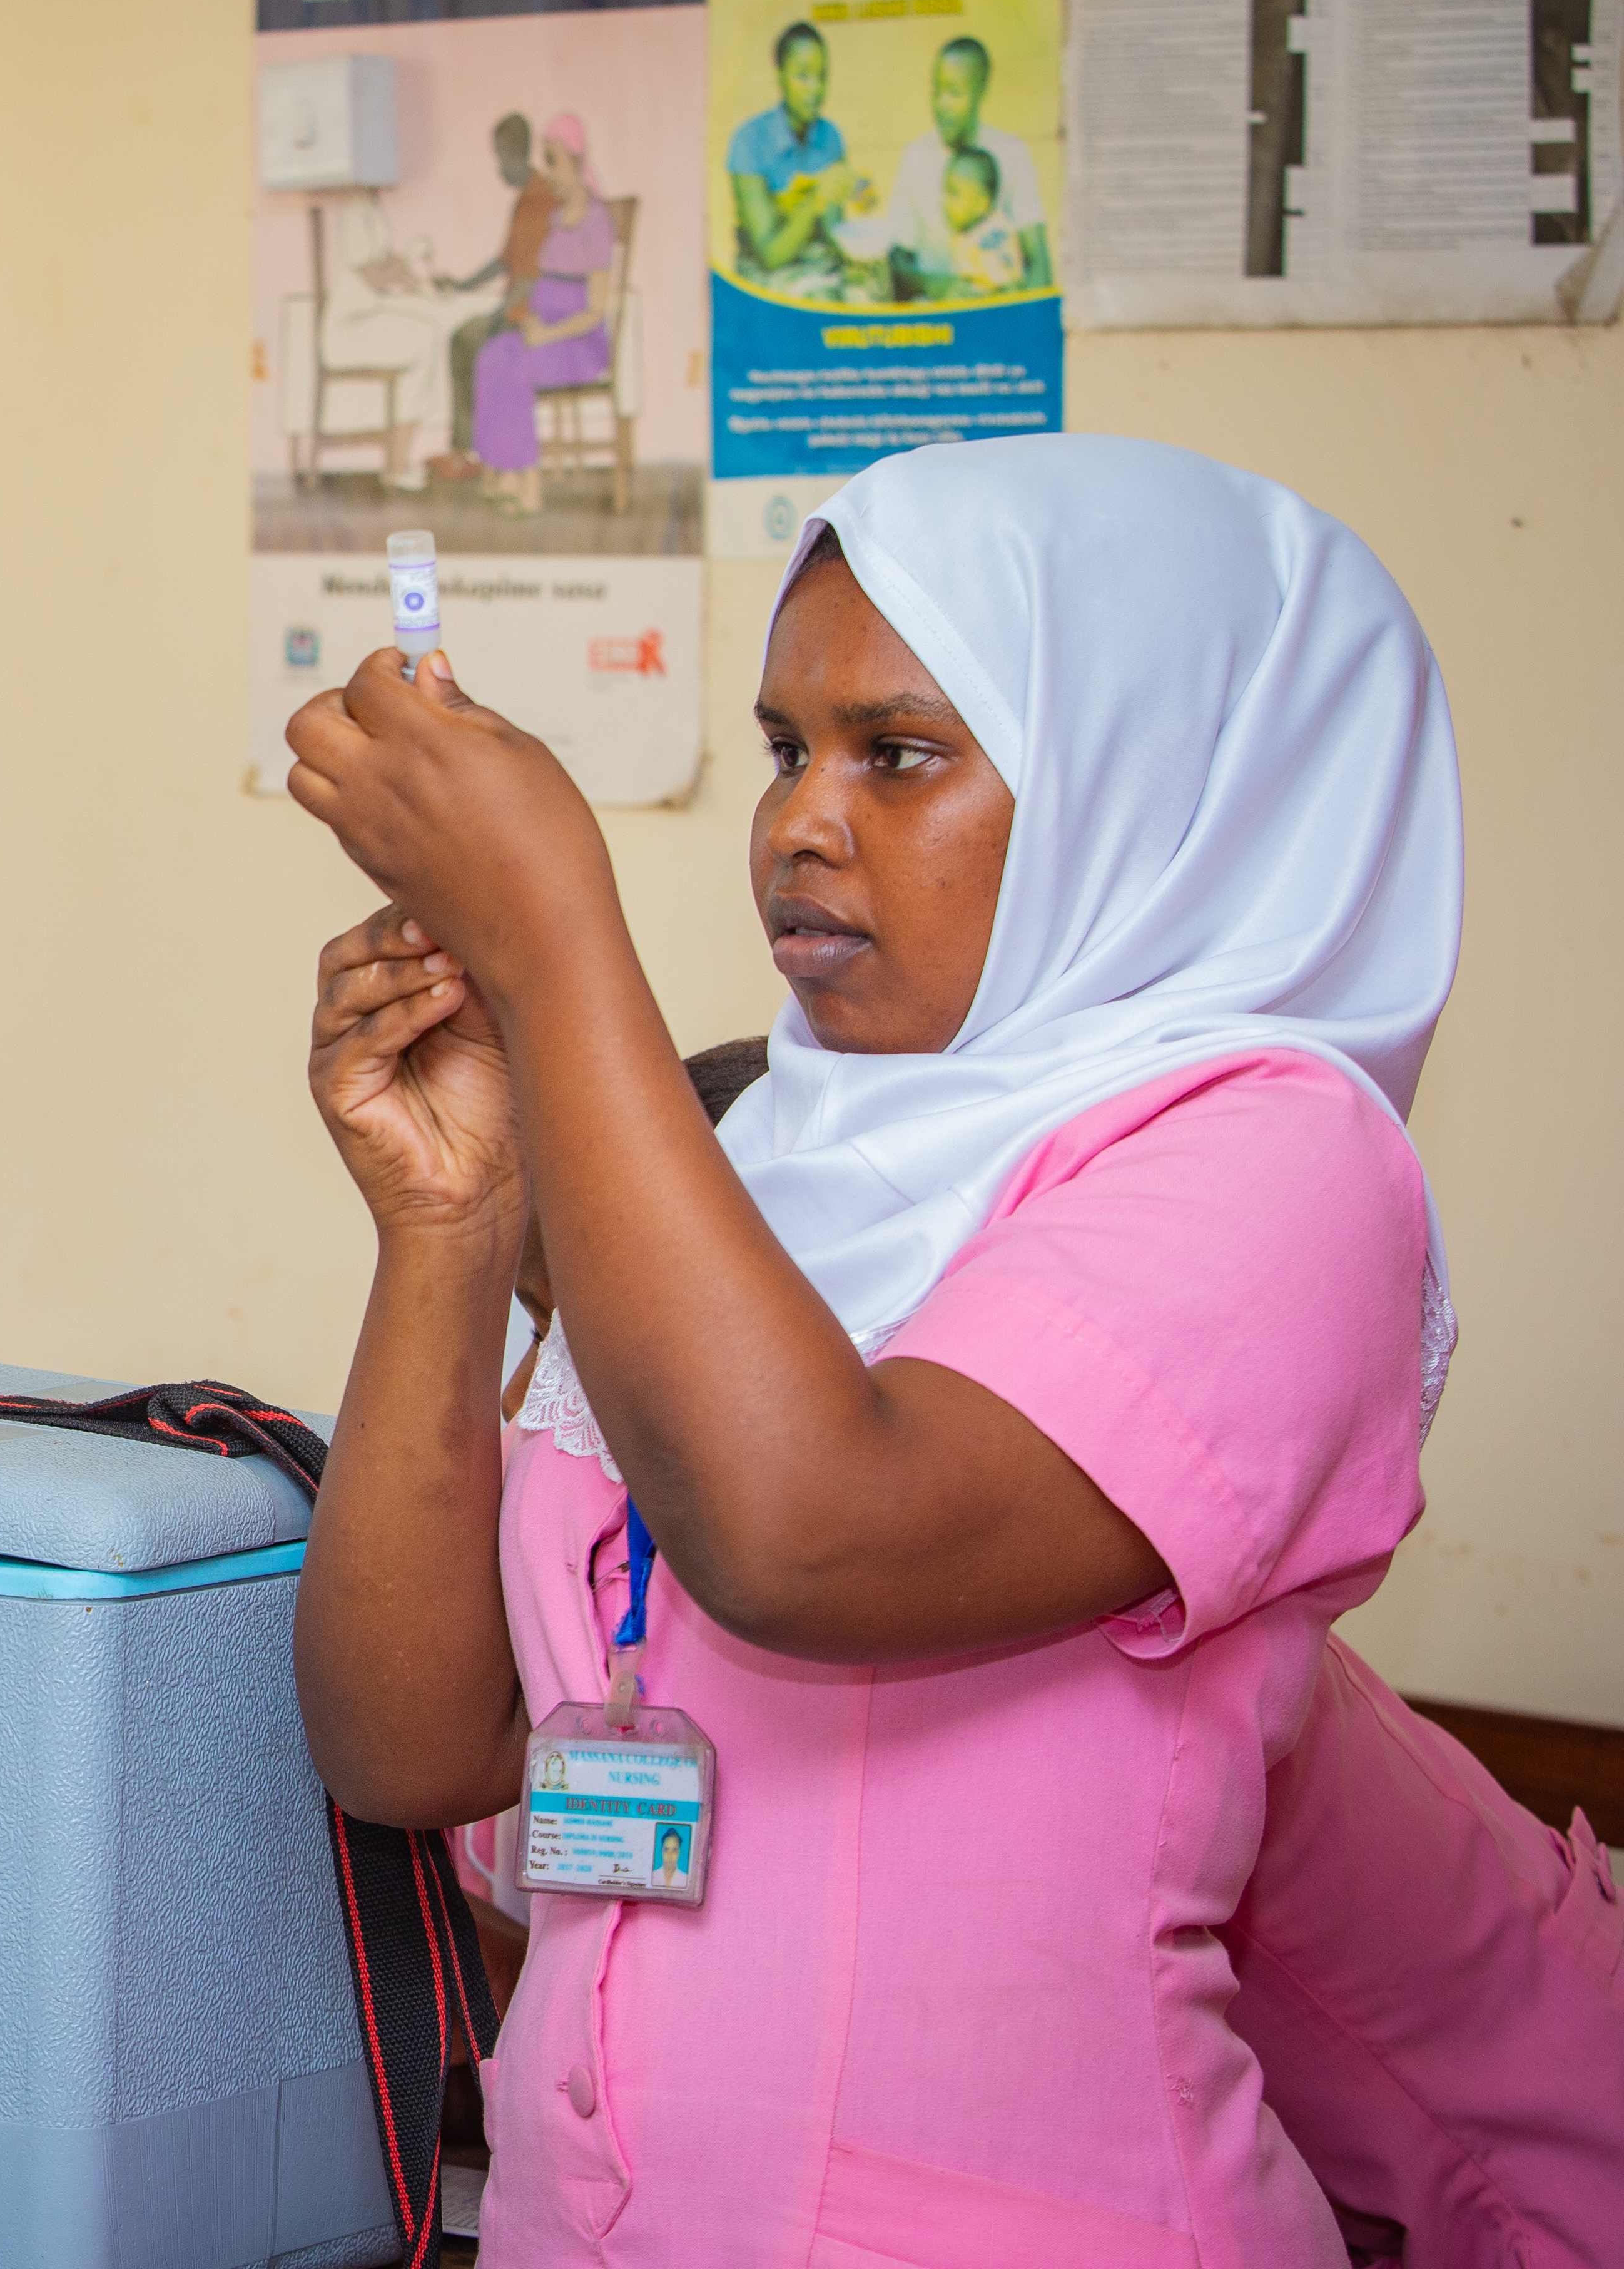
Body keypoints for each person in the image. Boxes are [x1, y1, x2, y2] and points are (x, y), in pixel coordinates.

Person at [280, 431, 1590, 2257]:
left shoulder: (1273, 1161)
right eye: (786, 748)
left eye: (901, 752)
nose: (801, 820)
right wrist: (452, 1222)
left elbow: (814, 1532)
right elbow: (412, 1744)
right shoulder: (760, 1174)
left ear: (1150, 780)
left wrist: (556, 926)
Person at [466, 116, 616, 516]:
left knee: (515, 365)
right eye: (546, 163)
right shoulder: (554, 217)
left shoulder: (596, 220)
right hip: (546, 329)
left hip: (579, 343)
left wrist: (546, 334)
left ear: (577, 161)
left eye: (554, 162)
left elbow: (595, 311)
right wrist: (531, 321)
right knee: (492, 355)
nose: (548, 174)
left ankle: (528, 484)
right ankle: (500, 471)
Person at [419, 112, 554, 484]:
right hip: (516, 310)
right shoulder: (525, 199)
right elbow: (504, 262)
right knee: (465, 337)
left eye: (500, 157)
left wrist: (503, 316)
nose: (498, 168)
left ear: (515, 153)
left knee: (468, 340)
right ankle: (469, 451)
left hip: (532, 318)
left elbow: (532, 275)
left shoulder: (540, 199)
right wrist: (460, 285)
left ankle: (473, 453)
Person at [883, 37, 1051, 298]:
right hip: (936, 316)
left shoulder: (1012, 153)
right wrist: (942, 287)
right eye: (936, 91)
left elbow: (1038, 258)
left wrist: (1027, 322)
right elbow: (897, 264)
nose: (941, 105)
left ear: (982, 91)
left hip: (997, 312)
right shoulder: (916, 156)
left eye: (954, 93)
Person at [726, 21, 855, 294]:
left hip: (817, 260)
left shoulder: (830, 136)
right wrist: (816, 200)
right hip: (764, 273)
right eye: (804, 76)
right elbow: (770, 256)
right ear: (779, 77)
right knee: (823, 297)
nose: (816, 89)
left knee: (873, 290)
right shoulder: (749, 142)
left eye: (822, 76)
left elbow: (834, 227)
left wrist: (856, 196)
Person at [930, 146, 1028, 295]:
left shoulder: (991, 237)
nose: (945, 202)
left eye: (954, 193)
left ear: (982, 204)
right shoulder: (969, 230)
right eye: (945, 192)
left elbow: (1009, 290)